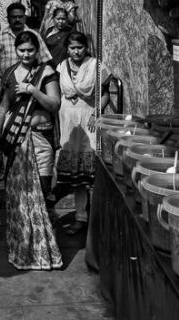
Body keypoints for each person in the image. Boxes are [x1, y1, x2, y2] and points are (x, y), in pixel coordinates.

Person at [0, 30, 63, 270]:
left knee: (40, 195)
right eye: (22, 50)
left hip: (39, 140)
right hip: (14, 142)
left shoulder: (46, 72)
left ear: (37, 49)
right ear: (16, 49)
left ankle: (43, 252)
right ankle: (22, 250)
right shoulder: (10, 73)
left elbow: (54, 104)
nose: (26, 54)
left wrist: (32, 90)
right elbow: (3, 107)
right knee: (18, 199)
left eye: (30, 50)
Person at [55, 31, 113, 235]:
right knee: (76, 176)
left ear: (85, 47)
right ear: (67, 49)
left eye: (80, 47)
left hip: (89, 120)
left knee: (92, 173)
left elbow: (105, 93)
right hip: (68, 124)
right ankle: (80, 217)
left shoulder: (96, 66)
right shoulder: (61, 66)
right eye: (72, 48)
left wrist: (98, 112)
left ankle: (98, 217)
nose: (76, 51)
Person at [0, 2, 51, 103]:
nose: (17, 20)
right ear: (8, 18)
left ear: (25, 17)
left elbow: (45, 60)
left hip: (30, 87)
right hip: (5, 87)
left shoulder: (34, 36)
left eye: (20, 16)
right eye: (14, 17)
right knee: (3, 115)